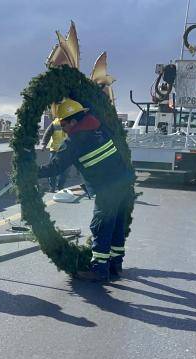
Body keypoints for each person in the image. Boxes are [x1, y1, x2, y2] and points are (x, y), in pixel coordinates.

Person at [37, 98, 134, 282]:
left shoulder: (74, 141)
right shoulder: (100, 127)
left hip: (108, 188)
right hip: (124, 183)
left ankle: (99, 270)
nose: (63, 128)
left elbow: (56, 167)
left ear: (74, 121)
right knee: (116, 226)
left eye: (64, 124)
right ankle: (115, 264)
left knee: (101, 226)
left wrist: (32, 172)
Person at [41, 116, 69, 192]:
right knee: (52, 169)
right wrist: (44, 144)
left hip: (66, 151)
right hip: (54, 150)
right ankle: (52, 187)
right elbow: (47, 133)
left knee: (65, 171)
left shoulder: (71, 122)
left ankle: (60, 186)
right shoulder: (55, 123)